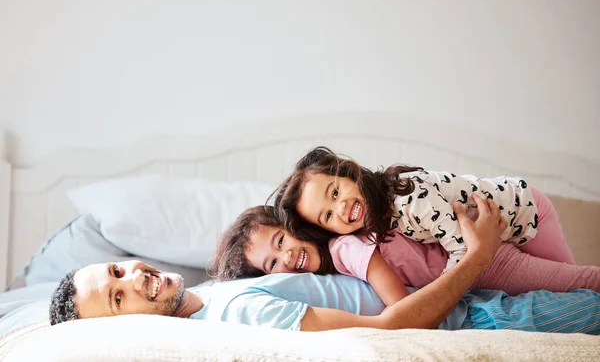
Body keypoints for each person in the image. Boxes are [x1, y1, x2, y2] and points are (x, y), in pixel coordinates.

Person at [49, 198, 600, 334]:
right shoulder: (239, 314)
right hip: (476, 319)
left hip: (467, 298)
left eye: (117, 272)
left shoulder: (220, 291)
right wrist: (477, 257)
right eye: (117, 298)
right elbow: (389, 327)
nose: (132, 280)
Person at [263, 146, 600, 305]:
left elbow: (466, 253)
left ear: (348, 172)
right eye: (326, 217)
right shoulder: (370, 226)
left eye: (335, 192)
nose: (341, 209)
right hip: (496, 232)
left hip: (526, 211)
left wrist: (438, 298)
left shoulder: (409, 199)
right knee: (575, 296)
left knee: (577, 285)